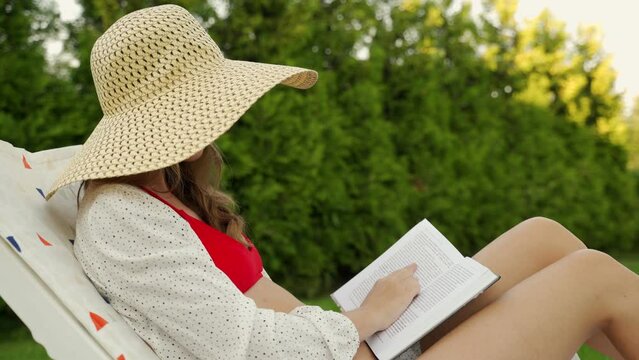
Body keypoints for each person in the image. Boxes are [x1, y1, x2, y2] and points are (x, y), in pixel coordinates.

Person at [44, 4, 639, 360]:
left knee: (545, 237)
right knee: (596, 278)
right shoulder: (120, 218)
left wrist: (377, 315)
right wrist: (369, 315)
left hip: (354, 346)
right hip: (352, 347)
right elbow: (242, 347)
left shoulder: (166, 193)